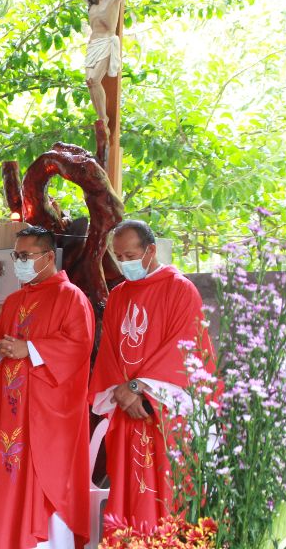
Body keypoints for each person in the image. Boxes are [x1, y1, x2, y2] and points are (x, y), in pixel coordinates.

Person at [0, 226, 93, 549]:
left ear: (49, 257)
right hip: (13, 417)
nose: (19, 262)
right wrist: (0, 348)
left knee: (43, 491)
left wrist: (31, 349)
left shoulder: (72, 299)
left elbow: (78, 347)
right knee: (9, 485)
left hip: (47, 422)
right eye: (16, 256)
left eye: (25, 256)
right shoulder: (13, 301)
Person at [89, 220, 214, 531]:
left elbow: (186, 350)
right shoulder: (118, 296)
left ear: (152, 250)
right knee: (129, 498)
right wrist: (121, 391)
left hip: (164, 415)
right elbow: (110, 354)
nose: (124, 263)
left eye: (131, 256)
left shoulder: (180, 290)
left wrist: (138, 387)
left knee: (167, 497)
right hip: (129, 415)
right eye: (119, 257)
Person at [58, 0, 167, 124]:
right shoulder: (91, 5)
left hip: (106, 43)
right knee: (89, 82)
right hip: (93, 45)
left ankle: (103, 118)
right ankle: (99, 119)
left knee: (95, 79)